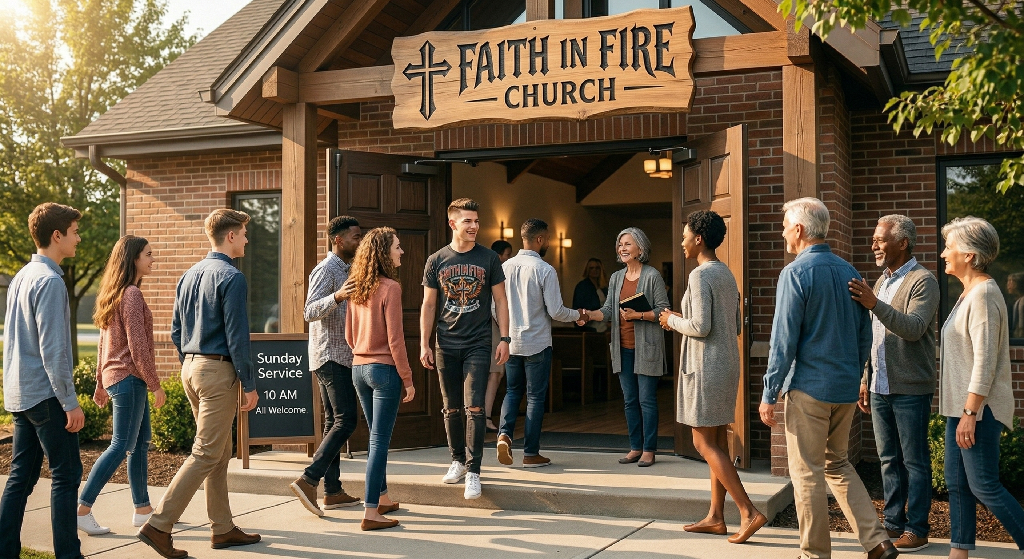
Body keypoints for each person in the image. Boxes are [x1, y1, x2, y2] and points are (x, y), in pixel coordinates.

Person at [760, 197, 897, 559]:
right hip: (844, 389)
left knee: (806, 474)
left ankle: (814, 555)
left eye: (786, 225)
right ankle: (878, 541)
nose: (783, 232)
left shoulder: (795, 273)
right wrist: (856, 376)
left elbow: (783, 340)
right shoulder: (850, 271)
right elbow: (864, 335)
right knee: (837, 464)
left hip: (808, 389)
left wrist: (769, 391)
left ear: (800, 230)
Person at [137, 209, 260, 558]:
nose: (248, 240)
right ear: (231, 236)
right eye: (244, 234)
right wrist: (248, 384)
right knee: (206, 453)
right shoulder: (232, 277)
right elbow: (238, 337)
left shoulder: (188, 275)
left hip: (191, 369)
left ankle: (222, 529)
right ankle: (159, 525)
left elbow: (176, 330)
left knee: (218, 452)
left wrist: (190, 364)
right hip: (217, 371)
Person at [659, 210, 766, 543]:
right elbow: (732, 326)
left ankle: (748, 512)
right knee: (717, 441)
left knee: (701, 442)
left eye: (685, 235)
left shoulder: (699, 276)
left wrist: (671, 320)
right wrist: (684, 316)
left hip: (705, 368)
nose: (682, 241)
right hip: (726, 364)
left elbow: (700, 327)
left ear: (699, 238)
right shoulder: (727, 274)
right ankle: (716, 517)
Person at [848, 215, 939, 552]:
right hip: (879, 385)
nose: (874, 245)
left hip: (911, 387)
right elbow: (875, 337)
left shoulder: (922, 281)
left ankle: (917, 528)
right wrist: (864, 378)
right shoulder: (882, 281)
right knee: (888, 459)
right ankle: (892, 523)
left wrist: (874, 303)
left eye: (880, 239)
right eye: (873, 239)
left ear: (902, 243)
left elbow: (913, 328)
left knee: (914, 461)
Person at [0, 203, 85, 559]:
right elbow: (54, 351)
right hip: (47, 397)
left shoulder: (21, 276)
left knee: (21, 476)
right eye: (75, 231)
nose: (78, 238)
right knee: (67, 475)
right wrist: (70, 402)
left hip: (21, 393)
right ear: (57, 235)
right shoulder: (50, 281)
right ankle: (68, 554)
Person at [938, 216, 1024, 558]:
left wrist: (971, 412)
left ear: (969, 255)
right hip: (959, 409)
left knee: (984, 485)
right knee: (958, 484)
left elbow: (985, 361)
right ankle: (958, 554)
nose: (944, 253)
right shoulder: (968, 293)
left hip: (979, 409)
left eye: (950, 247)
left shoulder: (984, 295)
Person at [419, 198, 510, 500]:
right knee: (451, 407)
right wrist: (424, 343)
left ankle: (474, 471)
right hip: (445, 343)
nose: (474, 226)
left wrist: (506, 339)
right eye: (468, 221)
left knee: (475, 406)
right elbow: (429, 304)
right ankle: (457, 460)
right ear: (453, 223)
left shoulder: (489, 259)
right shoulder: (436, 260)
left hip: (478, 344)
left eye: (476, 221)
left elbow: (501, 301)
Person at [76, 236, 167, 535]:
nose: (153, 259)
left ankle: (142, 509)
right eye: (148, 255)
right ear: (134, 259)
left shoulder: (116, 293)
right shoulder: (131, 295)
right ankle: (82, 508)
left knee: (139, 445)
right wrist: (156, 385)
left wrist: (101, 382)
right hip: (130, 379)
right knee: (120, 446)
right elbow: (137, 347)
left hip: (122, 379)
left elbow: (104, 341)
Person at [290, 216, 364, 516]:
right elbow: (308, 311)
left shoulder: (349, 269)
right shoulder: (326, 269)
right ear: (339, 240)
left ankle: (332, 491)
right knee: (347, 421)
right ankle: (309, 479)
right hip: (330, 355)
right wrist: (337, 296)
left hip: (342, 353)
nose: (359, 242)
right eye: (355, 237)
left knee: (334, 423)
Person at [345, 227, 416, 531]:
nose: (401, 252)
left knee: (375, 437)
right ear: (385, 252)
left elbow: (349, 335)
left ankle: (383, 497)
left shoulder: (356, 286)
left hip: (358, 368)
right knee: (379, 442)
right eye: (398, 247)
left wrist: (363, 352)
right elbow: (396, 340)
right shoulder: (391, 288)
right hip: (384, 370)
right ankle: (371, 511)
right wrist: (408, 378)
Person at [496, 219, 582, 468]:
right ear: (540, 239)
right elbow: (556, 311)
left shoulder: (504, 267)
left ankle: (504, 434)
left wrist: (506, 330)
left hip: (511, 341)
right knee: (534, 397)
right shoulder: (545, 269)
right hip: (537, 343)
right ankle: (531, 453)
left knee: (512, 391)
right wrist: (578, 315)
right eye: (549, 239)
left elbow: (495, 306)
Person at [580, 227, 669, 467]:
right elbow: (608, 311)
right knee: (630, 400)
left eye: (627, 244)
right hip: (622, 348)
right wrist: (588, 315)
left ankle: (649, 449)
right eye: (620, 244)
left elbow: (664, 310)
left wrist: (639, 315)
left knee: (646, 400)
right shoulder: (616, 278)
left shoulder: (652, 276)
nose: (622, 248)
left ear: (640, 248)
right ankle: (635, 447)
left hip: (647, 348)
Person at [485, 239, 514, 432]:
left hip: (483, 325)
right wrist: (505, 331)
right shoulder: (495, 272)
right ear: (498, 255)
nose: (508, 259)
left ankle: (481, 416)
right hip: (492, 325)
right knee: (495, 372)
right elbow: (497, 304)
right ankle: (484, 417)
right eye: (507, 255)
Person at [572, 258, 608, 332]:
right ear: (588, 270)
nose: (595, 270)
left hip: (604, 323)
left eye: (597, 268)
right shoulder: (582, 286)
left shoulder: (603, 287)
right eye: (591, 268)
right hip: (590, 325)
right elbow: (578, 307)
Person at [1006, 272, 1024, 339]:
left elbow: (1021, 327)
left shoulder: (1022, 301)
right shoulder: (1015, 301)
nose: (1008, 284)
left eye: (1012, 281)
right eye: (1008, 281)